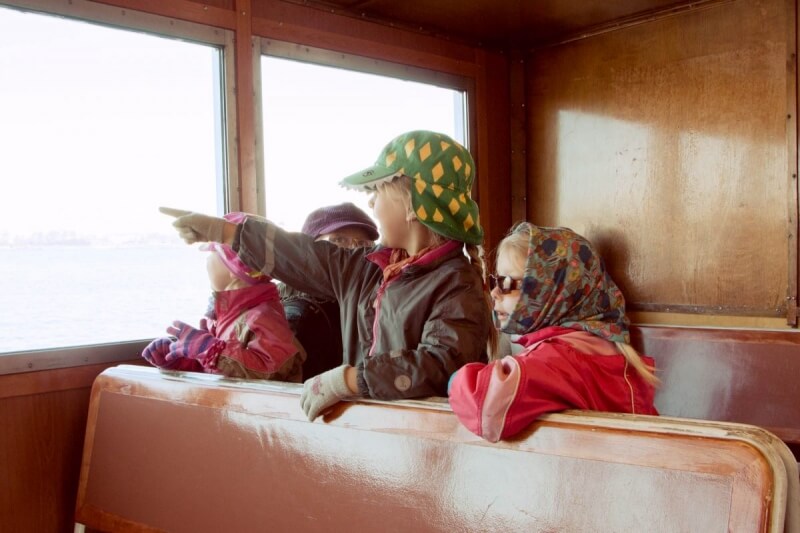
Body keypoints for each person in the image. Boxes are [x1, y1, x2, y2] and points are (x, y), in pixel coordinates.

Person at [160, 129, 495, 421]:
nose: (372, 202)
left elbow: (438, 364)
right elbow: (303, 255)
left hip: (425, 442)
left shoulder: (457, 283)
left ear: (411, 205)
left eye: (377, 191)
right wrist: (227, 233)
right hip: (369, 432)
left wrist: (349, 380)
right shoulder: (364, 268)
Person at [448, 222, 659, 442]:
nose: (494, 293)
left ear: (551, 291)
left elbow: (486, 408)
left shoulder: (555, 360)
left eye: (507, 282)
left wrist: (454, 379)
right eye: (494, 281)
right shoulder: (611, 351)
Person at [141, 212, 306, 381]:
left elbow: (272, 370)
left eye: (213, 253)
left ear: (235, 270)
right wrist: (177, 359)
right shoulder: (218, 317)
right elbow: (211, 370)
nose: (207, 261)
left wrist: (211, 350)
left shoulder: (264, 318)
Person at [279, 202, 379, 379]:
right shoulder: (275, 303)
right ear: (309, 248)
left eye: (363, 244)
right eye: (339, 240)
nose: (352, 250)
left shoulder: (377, 302)